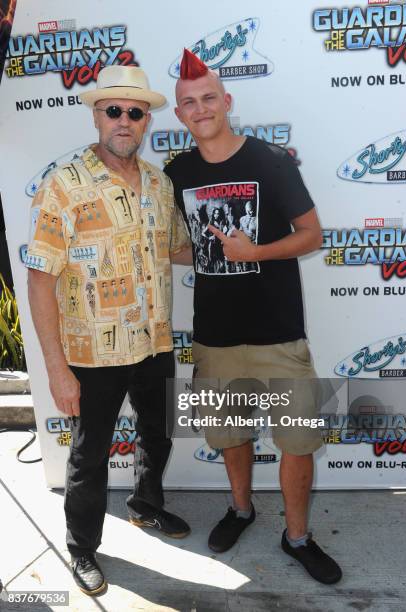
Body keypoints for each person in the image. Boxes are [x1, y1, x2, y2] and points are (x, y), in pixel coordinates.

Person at [164, 49, 342, 585]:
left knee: (298, 442)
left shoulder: (269, 160)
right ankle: (241, 510)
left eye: (209, 98)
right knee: (230, 436)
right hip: (215, 338)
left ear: (227, 101)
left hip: (279, 335)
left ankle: (297, 538)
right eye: (189, 103)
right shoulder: (178, 172)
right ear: (179, 114)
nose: (201, 109)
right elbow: (186, 245)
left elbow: (313, 235)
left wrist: (256, 252)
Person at [26, 65, 191, 596]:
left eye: (135, 112)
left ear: (146, 122)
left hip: (155, 340)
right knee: (89, 454)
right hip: (92, 352)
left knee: (156, 433)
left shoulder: (161, 185)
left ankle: (146, 505)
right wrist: (55, 366)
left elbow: (180, 250)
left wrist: (245, 242)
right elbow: (39, 280)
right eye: (114, 109)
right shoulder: (64, 185)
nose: (125, 120)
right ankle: (82, 548)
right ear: (97, 114)